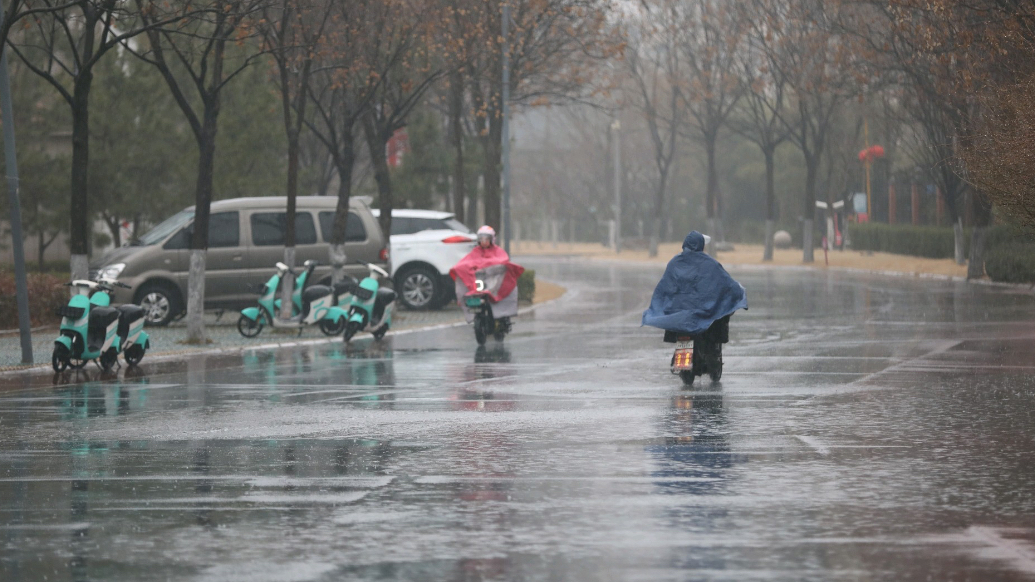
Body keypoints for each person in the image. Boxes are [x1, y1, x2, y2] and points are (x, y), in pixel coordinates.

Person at [641, 230, 747, 343]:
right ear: (701, 245)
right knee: (721, 314)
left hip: (677, 317)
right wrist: (740, 293)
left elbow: (663, 290)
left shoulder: (674, 262)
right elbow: (726, 284)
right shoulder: (710, 263)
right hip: (703, 316)